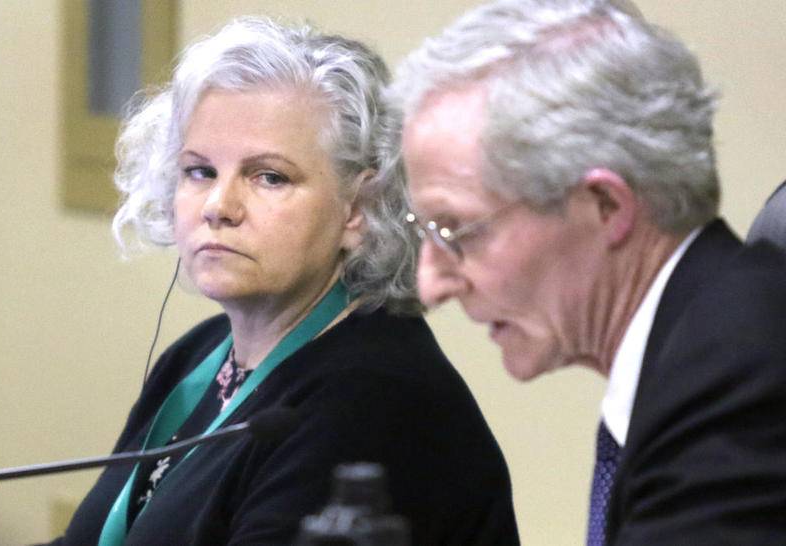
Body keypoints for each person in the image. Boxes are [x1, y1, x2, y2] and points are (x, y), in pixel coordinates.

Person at [46, 17, 519, 546]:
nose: (218, 207)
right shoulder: (198, 356)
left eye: (269, 176)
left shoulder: (374, 403)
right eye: (199, 171)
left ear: (359, 208)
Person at [387, 0, 786, 544]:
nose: (430, 285)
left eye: (458, 229)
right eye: (425, 229)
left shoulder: (740, 375)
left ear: (606, 206)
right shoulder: (695, 354)